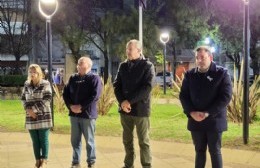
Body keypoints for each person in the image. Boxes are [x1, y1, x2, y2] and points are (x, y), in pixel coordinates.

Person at [179, 45, 232, 168]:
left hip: (214, 120)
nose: (199, 61)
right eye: (197, 58)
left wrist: (207, 113)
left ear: (210, 57)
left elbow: (225, 97)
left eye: (202, 57)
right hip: (195, 120)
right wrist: (191, 113)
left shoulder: (221, 73)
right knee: (199, 151)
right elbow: (183, 96)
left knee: (215, 151)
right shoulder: (190, 75)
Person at [113, 39, 155, 168]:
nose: (127, 51)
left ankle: (146, 165)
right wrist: (122, 102)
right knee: (127, 140)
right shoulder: (123, 66)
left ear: (139, 50)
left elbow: (147, 88)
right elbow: (116, 85)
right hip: (125, 110)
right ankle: (128, 164)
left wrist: (128, 101)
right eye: (127, 49)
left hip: (141, 110)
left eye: (130, 49)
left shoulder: (147, 66)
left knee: (143, 141)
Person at [63, 56, 102, 168]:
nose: (79, 65)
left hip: (88, 115)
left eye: (82, 63)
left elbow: (95, 96)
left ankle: (91, 161)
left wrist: (81, 106)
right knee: (75, 141)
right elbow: (65, 94)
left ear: (89, 66)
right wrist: (70, 106)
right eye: (78, 63)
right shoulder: (73, 78)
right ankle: (75, 162)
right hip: (74, 115)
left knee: (89, 141)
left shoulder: (94, 78)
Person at [21, 64, 53, 168]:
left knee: (43, 139)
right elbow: (22, 98)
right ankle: (37, 160)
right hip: (30, 117)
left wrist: (33, 109)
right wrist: (28, 110)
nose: (32, 74)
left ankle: (44, 160)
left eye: (34, 72)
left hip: (43, 116)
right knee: (35, 140)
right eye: (30, 72)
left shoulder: (45, 83)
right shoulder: (26, 84)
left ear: (38, 73)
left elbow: (48, 99)